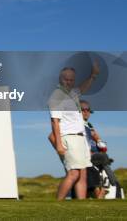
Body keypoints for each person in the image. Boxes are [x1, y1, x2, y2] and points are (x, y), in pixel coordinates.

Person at [48, 62, 99, 200]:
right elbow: (55, 121)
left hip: (80, 138)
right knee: (74, 173)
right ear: (60, 79)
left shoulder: (72, 93)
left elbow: (82, 88)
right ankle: (57, 203)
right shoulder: (56, 96)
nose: (69, 82)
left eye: (71, 79)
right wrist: (58, 144)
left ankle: (80, 207)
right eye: (66, 79)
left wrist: (93, 76)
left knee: (82, 173)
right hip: (69, 138)